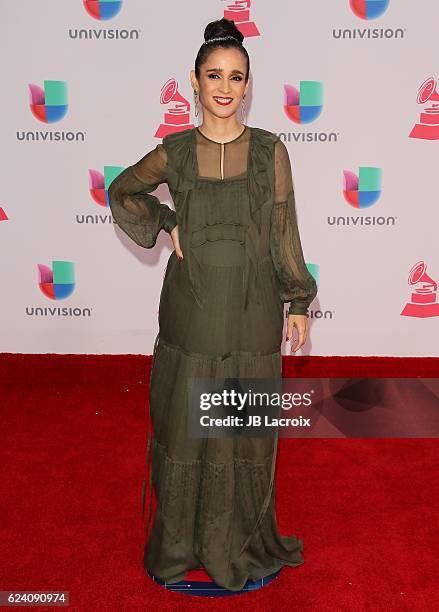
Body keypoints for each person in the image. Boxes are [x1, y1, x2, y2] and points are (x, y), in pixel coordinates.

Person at [108, 17, 318, 592]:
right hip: (191, 314)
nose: (225, 87)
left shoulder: (271, 151)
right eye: (214, 75)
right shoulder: (174, 152)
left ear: (248, 86)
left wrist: (298, 300)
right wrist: (164, 220)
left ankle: (237, 545)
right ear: (194, 82)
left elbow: (282, 231)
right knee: (186, 431)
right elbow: (121, 189)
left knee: (241, 433)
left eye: (236, 77)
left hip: (252, 314)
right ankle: (178, 547)